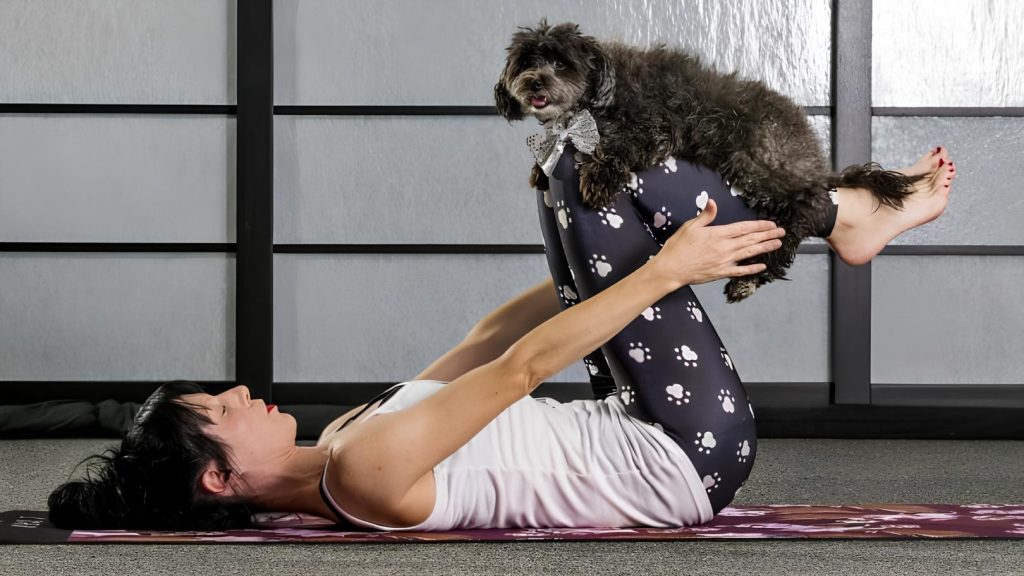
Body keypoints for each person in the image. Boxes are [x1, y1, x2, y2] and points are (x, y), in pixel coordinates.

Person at [47, 146, 954, 531]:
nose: (239, 392)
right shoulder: (357, 475)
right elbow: (520, 372)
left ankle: (846, 213)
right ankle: (845, 211)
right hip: (686, 454)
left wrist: (609, 256)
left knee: (575, 168)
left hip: (643, 420)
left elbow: (488, 340)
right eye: (219, 408)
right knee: (631, 174)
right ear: (218, 475)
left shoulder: (350, 438)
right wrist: (663, 270)